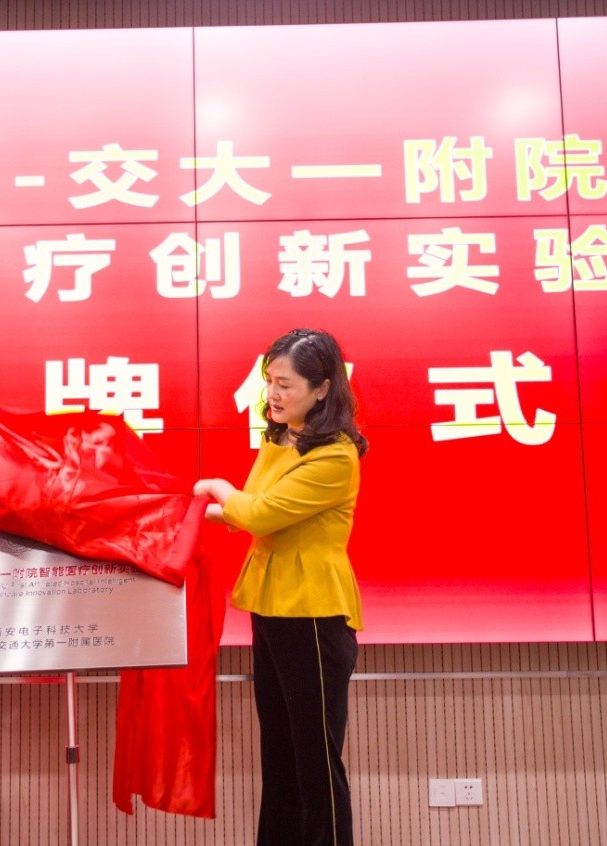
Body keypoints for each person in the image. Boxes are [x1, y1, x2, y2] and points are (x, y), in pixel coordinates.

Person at [193, 328, 368, 846]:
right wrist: (192, 510)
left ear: (322, 388)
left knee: (316, 761)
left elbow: (258, 513)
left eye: (285, 384)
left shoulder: (335, 455)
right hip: (271, 605)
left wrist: (217, 488)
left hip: (312, 611)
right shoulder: (281, 437)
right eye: (269, 380)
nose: (272, 393)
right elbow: (249, 509)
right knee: (280, 755)